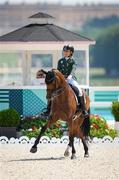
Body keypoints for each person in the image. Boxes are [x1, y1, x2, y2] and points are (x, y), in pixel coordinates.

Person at [41, 45, 88, 118]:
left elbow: (73, 69)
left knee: (79, 90)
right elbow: (58, 71)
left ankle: (83, 109)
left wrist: (69, 76)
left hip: (71, 78)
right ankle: (48, 109)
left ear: (71, 52)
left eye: (67, 51)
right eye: (64, 51)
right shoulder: (60, 61)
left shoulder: (73, 61)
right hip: (61, 79)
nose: (65, 52)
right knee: (52, 90)